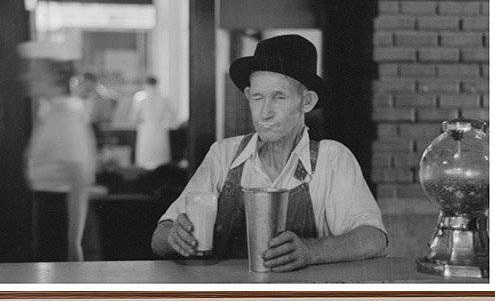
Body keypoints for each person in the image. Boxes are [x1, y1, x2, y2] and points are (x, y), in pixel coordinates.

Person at [151, 34, 387, 271]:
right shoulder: (224, 155)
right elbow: (159, 237)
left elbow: (373, 239)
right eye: (258, 97)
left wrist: (311, 251)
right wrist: (175, 236)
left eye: (279, 97)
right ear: (247, 96)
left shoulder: (332, 159)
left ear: (307, 101)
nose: (265, 113)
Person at [21, 43, 97, 261]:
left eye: (33, 71)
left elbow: (78, 179)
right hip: (50, 213)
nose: (27, 77)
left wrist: (74, 243)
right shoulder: (51, 111)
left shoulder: (66, 114)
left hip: (62, 216)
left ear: (51, 76)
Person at [132, 76, 176, 170]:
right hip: (159, 128)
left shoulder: (140, 98)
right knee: (159, 157)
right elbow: (172, 117)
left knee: (146, 157)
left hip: (146, 128)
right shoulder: (164, 98)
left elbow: (134, 117)